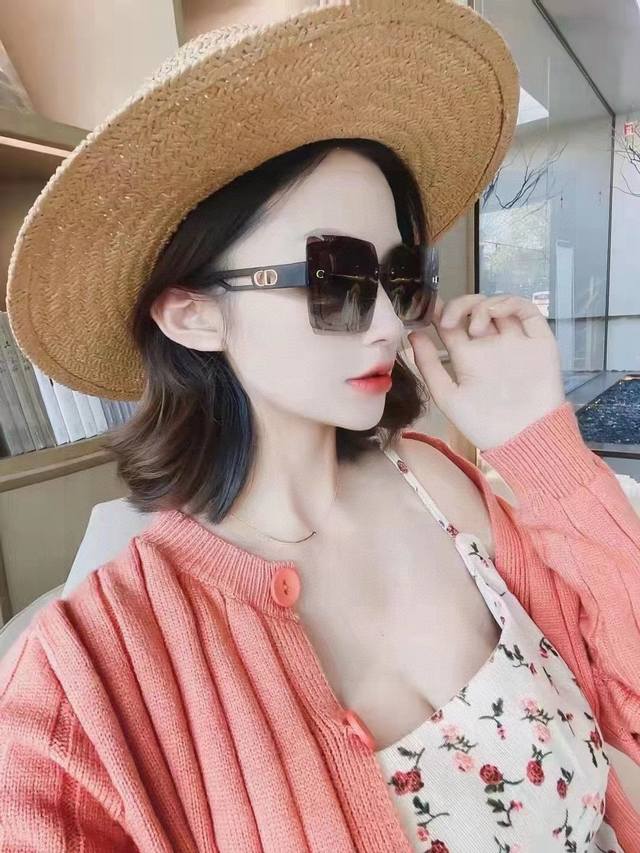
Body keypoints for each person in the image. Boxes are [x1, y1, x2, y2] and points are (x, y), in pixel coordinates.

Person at [1, 2, 639, 851]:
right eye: (335, 278)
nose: (388, 322)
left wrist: (536, 441)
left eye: (401, 275)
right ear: (192, 315)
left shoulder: (437, 481)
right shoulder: (83, 677)